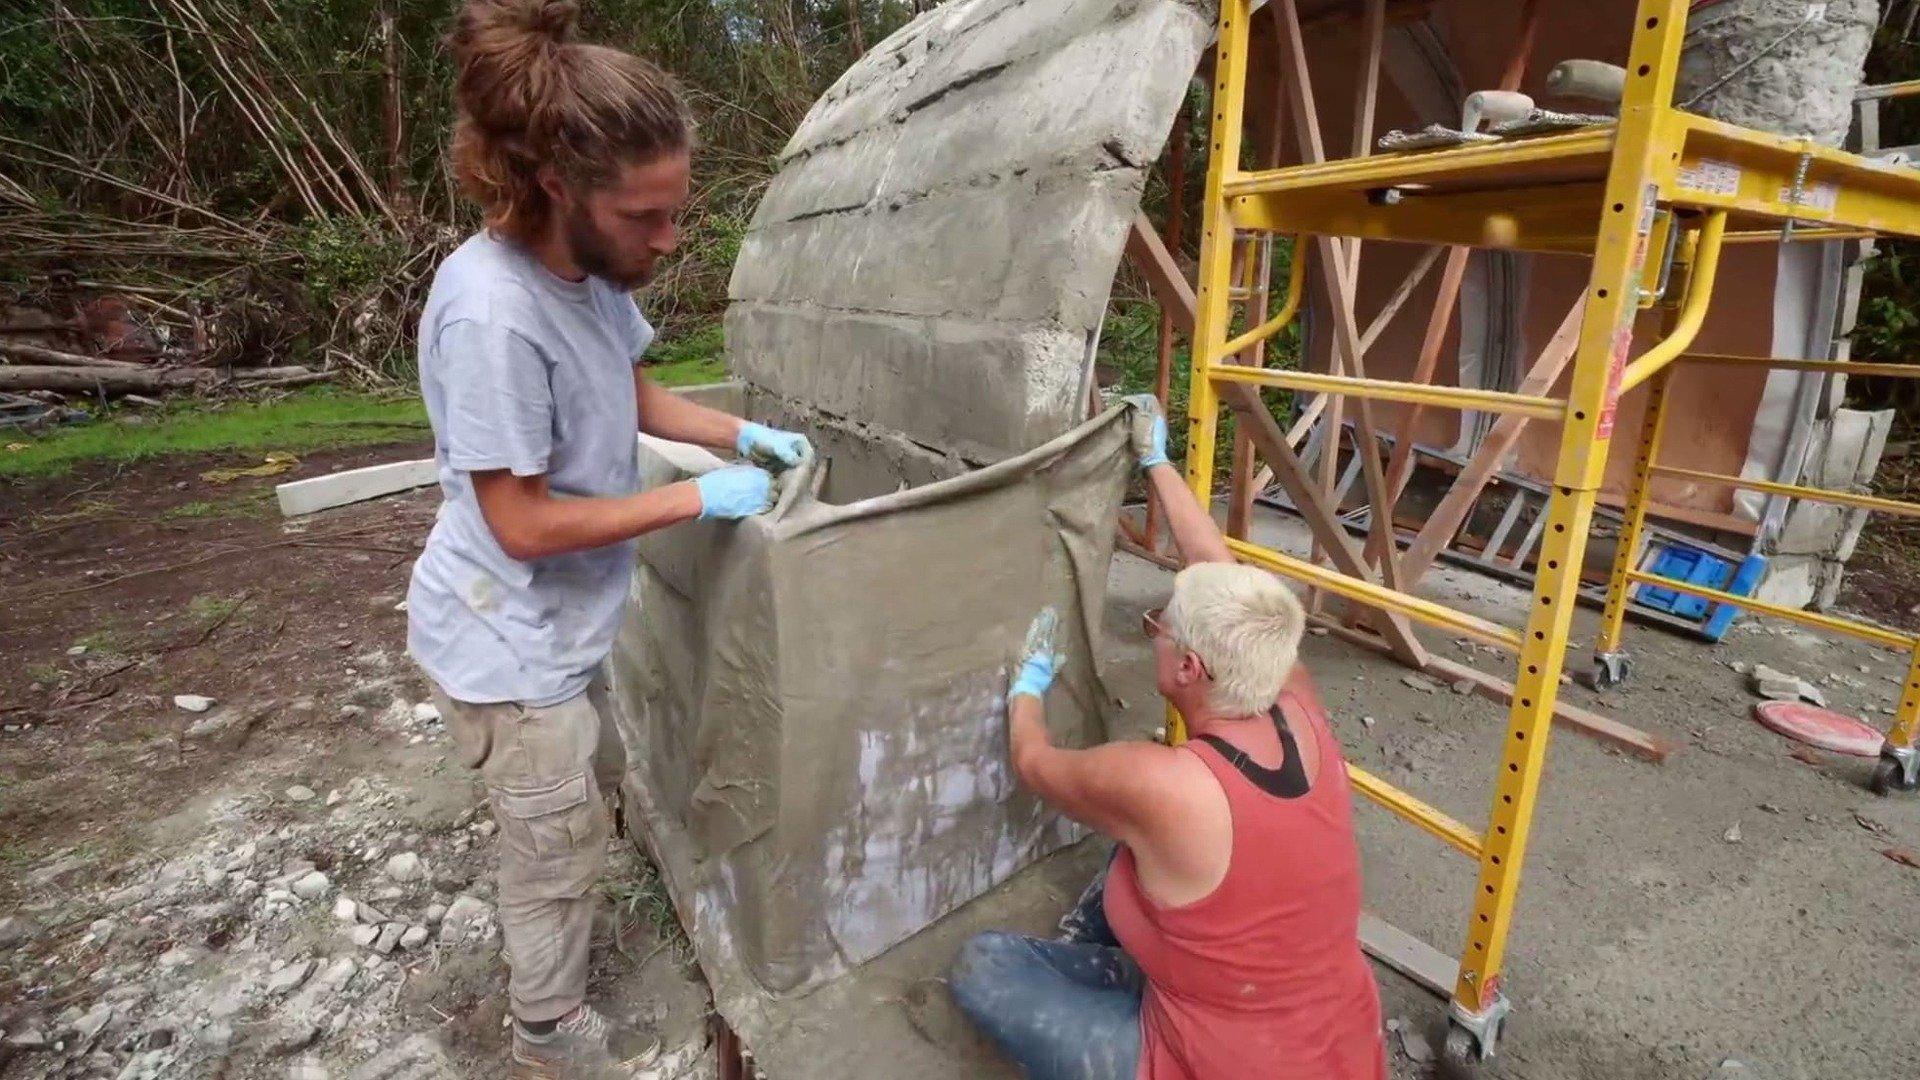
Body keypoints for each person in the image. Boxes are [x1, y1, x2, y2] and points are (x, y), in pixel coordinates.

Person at [406, 2, 813, 1075]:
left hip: (559, 621)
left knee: (576, 797)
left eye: (676, 210)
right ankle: (550, 1036)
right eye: (647, 216)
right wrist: (695, 500)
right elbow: (521, 520)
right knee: (552, 853)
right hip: (506, 639)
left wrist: (741, 432)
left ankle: (575, 875)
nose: (669, 238)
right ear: (555, 187)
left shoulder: (585, 277)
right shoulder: (491, 315)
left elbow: (629, 390)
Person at [948, 396, 1387, 1080]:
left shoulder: (1162, 783)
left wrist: (1024, 690)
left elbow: (1033, 763)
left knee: (985, 966)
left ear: (1187, 666)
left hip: (1220, 1062)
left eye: (1160, 624)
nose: (1153, 629)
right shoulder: (1289, 692)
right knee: (1137, 852)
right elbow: (1219, 572)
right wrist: (1157, 463)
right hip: (1334, 1038)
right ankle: (1147, 966)